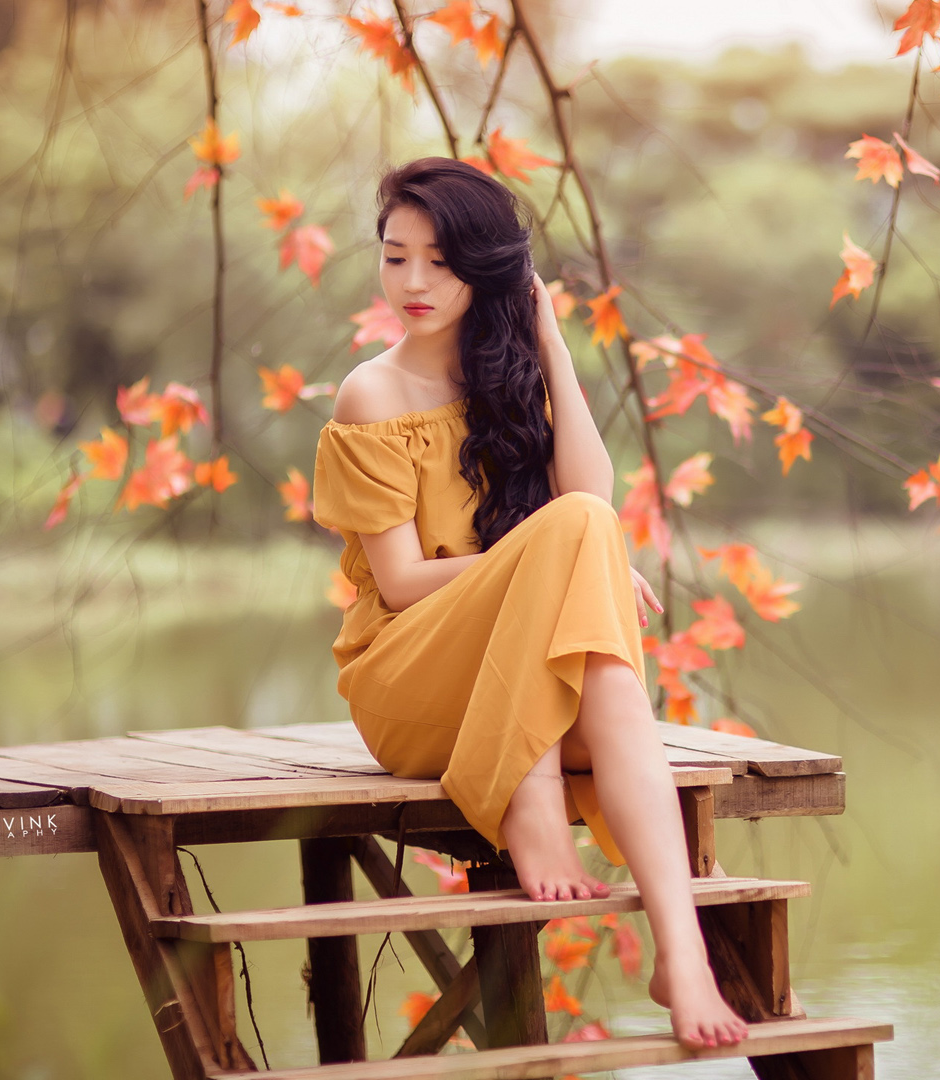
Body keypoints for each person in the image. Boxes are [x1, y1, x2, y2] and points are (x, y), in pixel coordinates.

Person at [310, 156, 750, 1050]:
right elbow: (398, 584)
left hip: (517, 675)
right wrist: (547, 564)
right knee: (576, 537)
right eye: (396, 258)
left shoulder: (515, 380)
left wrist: (549, 344)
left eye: (440, 261)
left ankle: (683, 956)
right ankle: (532, 794)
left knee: (617, 687)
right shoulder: (372, 391)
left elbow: (590, 500)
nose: (415, 282)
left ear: (489, 268)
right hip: (412, 681)